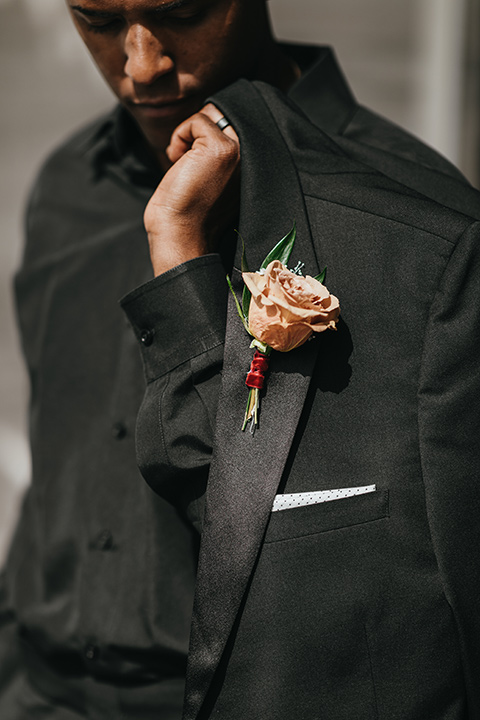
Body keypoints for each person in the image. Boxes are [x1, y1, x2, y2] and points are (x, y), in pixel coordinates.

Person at [2, 1, 480, 718]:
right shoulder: (68, 184)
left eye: (181, 11)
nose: (141, 68)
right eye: (98, 21)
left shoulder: (422, 238)